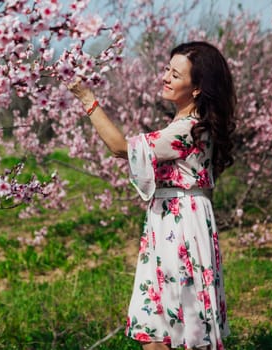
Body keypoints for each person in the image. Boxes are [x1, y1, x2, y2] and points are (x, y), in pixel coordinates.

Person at [68, 41, 236, 350]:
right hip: (172, 219)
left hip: (181, 225)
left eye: (176, 74)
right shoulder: (191, 125)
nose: (166, 77)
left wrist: (87, 99)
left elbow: (120, 147)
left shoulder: (188, 129)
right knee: (158, 322)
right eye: (167, 69)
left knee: (177, 321)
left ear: (197, 87)